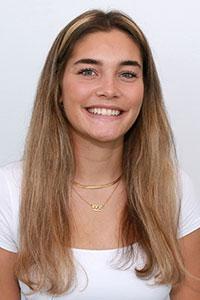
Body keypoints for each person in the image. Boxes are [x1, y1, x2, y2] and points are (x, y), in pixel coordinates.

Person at [0, 9, 200, 300]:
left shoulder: (174, 186)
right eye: (88, 71)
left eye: (127, 74)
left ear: (145, 91)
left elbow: (191, 290)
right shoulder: (8, 190)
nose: (109, 89)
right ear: (57, 87)